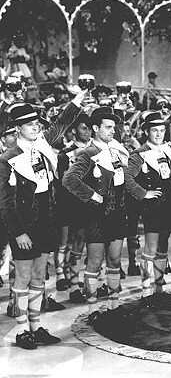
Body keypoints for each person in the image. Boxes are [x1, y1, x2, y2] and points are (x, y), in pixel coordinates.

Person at [0, 96, 83, 349]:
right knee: (23, 278)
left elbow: (62, 123)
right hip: (23, 225)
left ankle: (35, 327)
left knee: (39, 276)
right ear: (17, 129)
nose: (35, 127)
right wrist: (18, 232)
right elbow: (5, 203)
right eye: (29, 124)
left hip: (46, 220)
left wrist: (78, 98)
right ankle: (21, 330)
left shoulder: (43, 146)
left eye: (36, 123)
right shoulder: (7, 158)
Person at [63, 106, 129, 326]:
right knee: (95, 261)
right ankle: (92, 309)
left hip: (117, 213)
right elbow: (69, 179)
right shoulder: (87, 153)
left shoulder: (116, 150)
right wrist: (92, 195)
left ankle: (114, 305)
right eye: (108, 127)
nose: (112, 131)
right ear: (95, 128)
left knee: (115, 260)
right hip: (97, 216)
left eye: (113, 127)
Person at [124, 112, 171, 305]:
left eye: (162, 130)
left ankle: (159, 289)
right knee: (150, 248)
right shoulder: (139, 154)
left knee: (163, 248)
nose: (159, 134)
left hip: (170, 204)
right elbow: (126, 177)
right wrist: (143, 193)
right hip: (153, 207)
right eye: (154, 131)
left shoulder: (167, 149)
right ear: (146, 132)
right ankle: (146, 292)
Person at [54, 113, 92, 303]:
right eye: (84, 128)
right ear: (74, 131)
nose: (88, 131)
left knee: (89, 245)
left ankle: (90, 282)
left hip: (92, 204)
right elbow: (61, 183)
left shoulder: (96, 150)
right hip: (70, 204)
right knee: (68, 242)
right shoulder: (66, 153)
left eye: (90, 128)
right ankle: (68, 280)